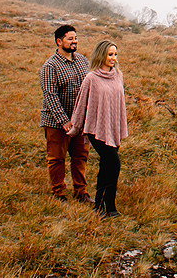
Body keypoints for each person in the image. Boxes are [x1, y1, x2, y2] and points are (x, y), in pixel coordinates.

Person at [68, 39, 129, 218]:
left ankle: (100, 207)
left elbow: (120, 103)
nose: (113, 58)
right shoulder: (91, 78)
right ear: (102, 55)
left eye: (115, 54)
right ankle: (109, 206)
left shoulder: (118, 75)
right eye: (110, 54)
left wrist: (119, 126)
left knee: (106, 166)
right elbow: (81, 105)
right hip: (96, 129)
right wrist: (75, 127)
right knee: (114, 164)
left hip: (112, 127)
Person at [39, 24, 91, 202]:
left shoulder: (83, 61)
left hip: (80, 121)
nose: (74, 41)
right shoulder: (50, 66)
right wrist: (64, 121)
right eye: (70, 38)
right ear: (59, 41)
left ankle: (81, 191)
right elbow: (50, 96)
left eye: (75, 38)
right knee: (56, 158)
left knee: (80, 157)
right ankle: (58, 192)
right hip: (55, 122)